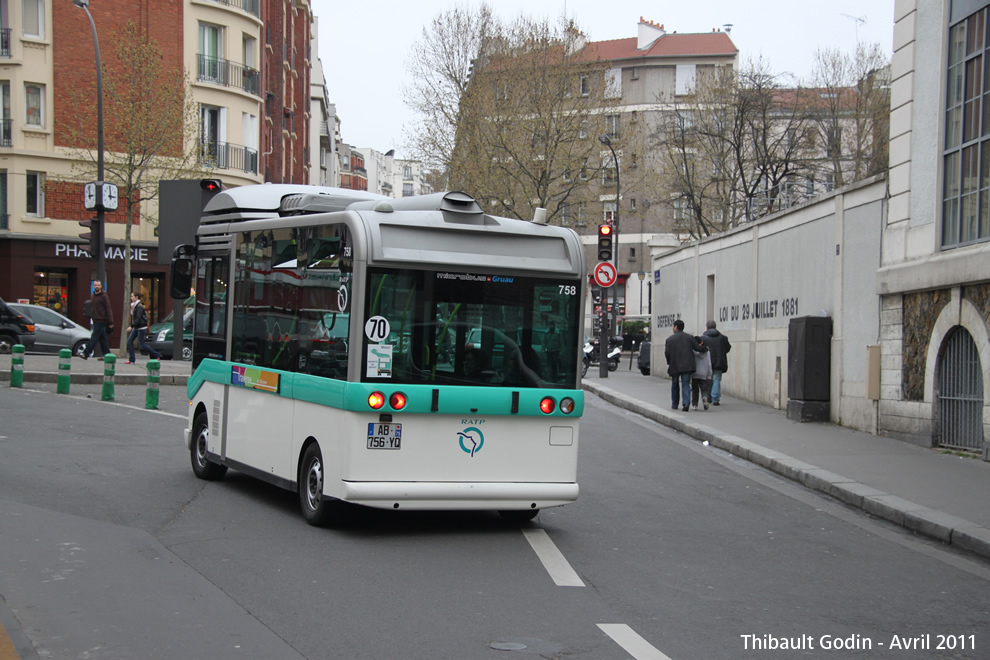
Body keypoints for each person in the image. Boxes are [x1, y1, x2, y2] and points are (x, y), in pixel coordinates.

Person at [664, 319, 695, 411]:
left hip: (675, 365)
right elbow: (697, 347)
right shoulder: (689, 337)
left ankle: (675, 403)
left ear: (676, 327)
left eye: (673, 326)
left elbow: (667, 353)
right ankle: (686, 403)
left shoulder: (670, 339)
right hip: (687, 365)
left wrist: (669, 362)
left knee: (675, 384)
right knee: (685, 383)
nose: (673, 328)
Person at [125, 292, 161, 364]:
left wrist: (131, 326)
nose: (131, 298)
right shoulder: (135, 306)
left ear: (136, 297)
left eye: (132, 296)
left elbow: (138, 318)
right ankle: (131, 359)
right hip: (137, 327)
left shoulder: (139, 307)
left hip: (141, 327)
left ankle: (157, 354)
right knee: (129, 341)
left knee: (141, 344)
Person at [702, 320, 732, 406]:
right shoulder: (723, 338)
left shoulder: (703, 338)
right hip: (719, 362)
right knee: (717, 379)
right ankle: (715, 398)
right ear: (715, 327)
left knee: (709, 380)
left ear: (707, 328)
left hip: (707, 363)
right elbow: (727, 348)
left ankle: (709, 397)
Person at [81, 280, 113, 360]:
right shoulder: (93, 296)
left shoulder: (104, 296)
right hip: (95, 319)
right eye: (95, 285)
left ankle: (86, 353)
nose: (97, 287)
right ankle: (107, 355)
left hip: (101, 320)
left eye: (98, 285)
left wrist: (110, 321)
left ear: (101, 286)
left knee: (94, 337)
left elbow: (108, 309)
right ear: (93, 286)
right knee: (103, 339)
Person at [691, 335, 713, 411]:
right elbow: (709, 364)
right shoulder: (707, 352)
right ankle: (704, 398)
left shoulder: (692, 352)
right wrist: (709, 375)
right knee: (704, 389)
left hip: (694, 373)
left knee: (694, 390)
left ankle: (694, 405)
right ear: (702, 342)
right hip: (704, 373)